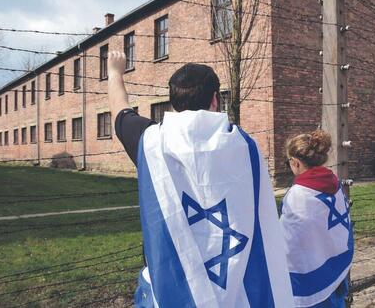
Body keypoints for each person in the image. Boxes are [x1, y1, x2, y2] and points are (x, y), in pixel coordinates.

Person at [108, 51, 294, 307]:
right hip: (236, 287)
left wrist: (115, 72)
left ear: (173, 103)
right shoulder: (244, 146)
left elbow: (120, 111)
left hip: (167, 287)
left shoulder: (151, 142)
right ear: (215, 100)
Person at [280, 130, 353, 308]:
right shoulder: (334, 181)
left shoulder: (298, 194)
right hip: (335, 266)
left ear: (296, 163)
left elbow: (289, 241)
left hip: (311, 276)